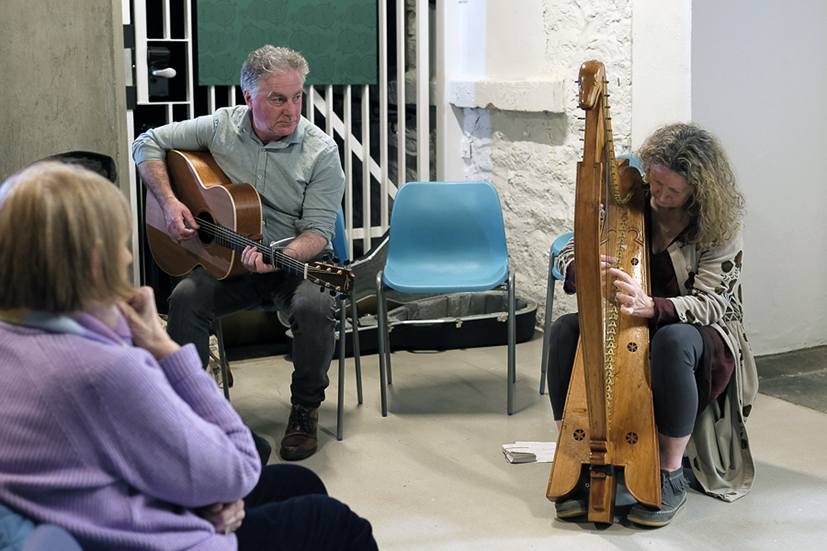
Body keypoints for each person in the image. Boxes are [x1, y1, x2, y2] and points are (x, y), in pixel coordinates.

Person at [0, 162, 378, 551]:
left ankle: (306, 406)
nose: (128, 260)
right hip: (147, 537)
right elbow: (240, 468)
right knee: (332, 522)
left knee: (300, 483)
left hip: (90, 517)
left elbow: (97, 467)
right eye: (120, 244)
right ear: (94, 261)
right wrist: (164, 351)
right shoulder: (105, 370)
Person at [132, 45, 346, 461]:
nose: (292, 109)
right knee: (185, 298)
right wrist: (171, 202)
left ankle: (305, 407)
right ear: (249, 97)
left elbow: (319, 232)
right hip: (230, 263)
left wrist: (281, 254)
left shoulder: (321, 152)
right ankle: (194, 410)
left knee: (314, 307)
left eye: (298, 96)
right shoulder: (220, 127)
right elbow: (148, 142)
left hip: (294, 263)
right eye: (278, 98)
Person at [546, 123, 758, 527]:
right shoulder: (631, 198)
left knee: (673, 341)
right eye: (655, 182)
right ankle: (575, 459)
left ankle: (669, 472)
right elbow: (568, 245)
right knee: (565, 330)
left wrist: (653, 307)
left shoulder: (720, 227)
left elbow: (716, 302)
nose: (659, 196)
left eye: (671, 191)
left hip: (694, 331)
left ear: (699, 189)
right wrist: (581, 266)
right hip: (629, 323)